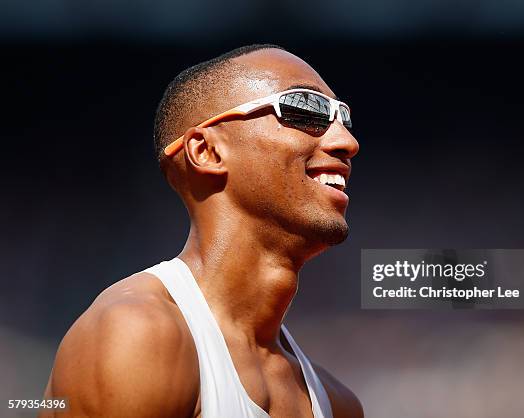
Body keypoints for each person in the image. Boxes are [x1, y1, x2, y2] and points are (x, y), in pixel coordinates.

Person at [41, 44, 362, 418]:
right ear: (206, 151)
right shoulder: (138, 335)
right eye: (305, 109)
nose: (347, 143)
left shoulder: (337, 404)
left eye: (345, 119)